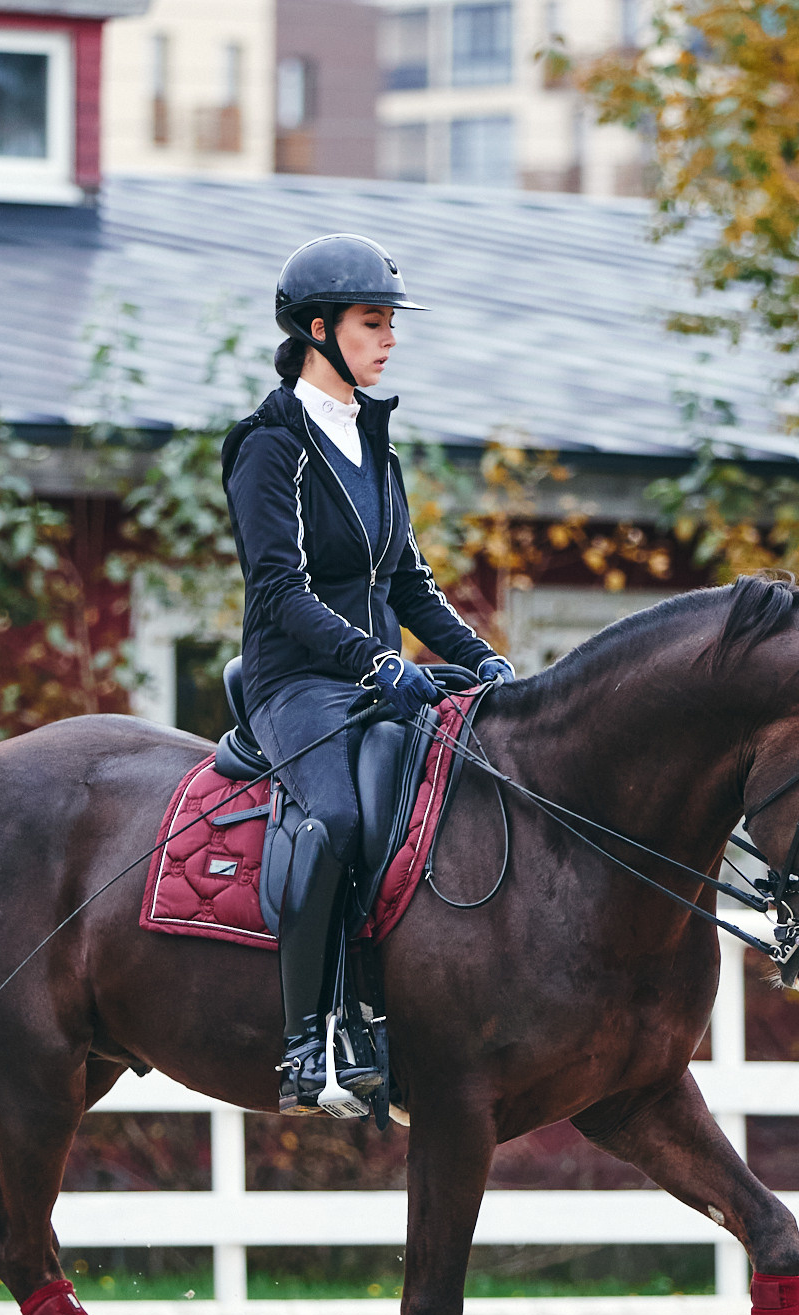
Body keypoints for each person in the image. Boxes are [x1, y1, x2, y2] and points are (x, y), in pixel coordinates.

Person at [218, 233, 515, 1115]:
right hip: (297, 681)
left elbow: (411, 585)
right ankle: (308, 1039)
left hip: (377, 681)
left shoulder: (375, 447)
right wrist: (375, 660)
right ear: (318, 330)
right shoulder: (270, 446)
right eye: (372, 323)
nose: (389, 339)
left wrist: (481, 659)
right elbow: (279, 592)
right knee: (339, 815)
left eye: (390, 324)